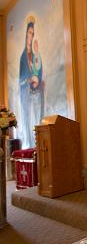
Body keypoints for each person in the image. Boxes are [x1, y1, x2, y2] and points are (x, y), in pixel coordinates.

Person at [19, 18, 44, 148]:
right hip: (27, 95)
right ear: (26, 34)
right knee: (28, 121)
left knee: (37, 121)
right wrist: (28, 80)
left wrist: (37, 81)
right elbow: (21, 80)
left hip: (35, 93)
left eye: (32, 33)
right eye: (29, 33)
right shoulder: (23, 58)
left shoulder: (35, 56)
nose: (31, 36)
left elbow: (39, 71)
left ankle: (38, 145)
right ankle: (30, 146)